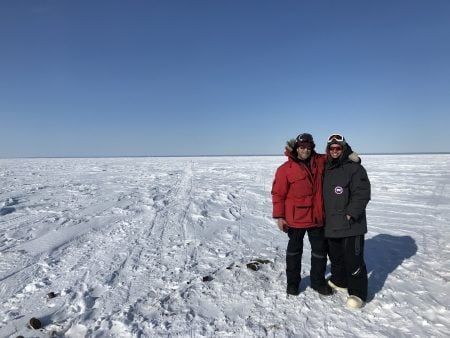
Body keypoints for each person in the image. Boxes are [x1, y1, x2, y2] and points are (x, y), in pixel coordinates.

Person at [271, 133, 333, 296]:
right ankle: (293, 283)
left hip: (316, 217)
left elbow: (337, 155)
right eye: (302, 147)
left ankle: (317, 282)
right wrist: (280, 216)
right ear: (296, 148)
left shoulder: (319, 161)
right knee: (294, 252)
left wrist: (351, 156)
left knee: (320, 251)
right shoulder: (285, 169)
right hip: (295, 219)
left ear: (312, 147)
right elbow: (278, 194)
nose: (305, 150)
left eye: (308, 147)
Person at [323, 133, 371, 309]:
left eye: (338, 148)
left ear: (344, 149)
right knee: (335, 257)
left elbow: (362, 193)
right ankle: (340, 281)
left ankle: (358, 293)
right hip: (331, 223)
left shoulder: (355, 168)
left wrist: (351, 213)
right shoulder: (325, 167)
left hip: (351, 224)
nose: (335, 151)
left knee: (353, 259)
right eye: (332, 148)